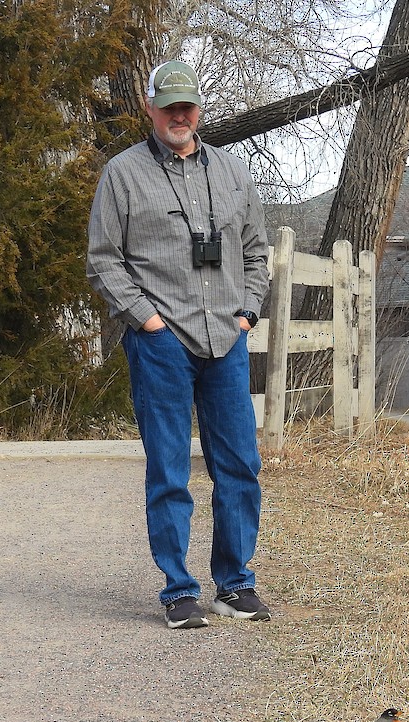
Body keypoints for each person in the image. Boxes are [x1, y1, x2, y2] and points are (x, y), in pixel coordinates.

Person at [87, 60, 271, 629]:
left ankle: (234, 584)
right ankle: (179, 591)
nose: (179, 115)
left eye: (187, 105)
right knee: (169, 467)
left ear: (200, 108)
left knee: (239, 463)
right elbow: (103, 261)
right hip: (161, 343)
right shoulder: (122, 175)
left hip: (225, 338)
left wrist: (248, 313)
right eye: (168, 106)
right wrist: (145, 321)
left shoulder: (235, 174)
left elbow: (257, 253)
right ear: (150, 108)